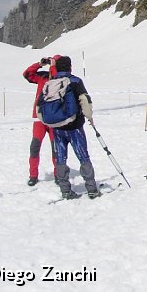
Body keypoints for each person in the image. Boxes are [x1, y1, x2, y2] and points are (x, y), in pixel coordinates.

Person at [47, 56, 100, 199]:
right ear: (70, 67)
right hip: (74, 126)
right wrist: (89, 117)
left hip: (57, 127)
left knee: (60, 158)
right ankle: (91, 188)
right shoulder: (75, 81)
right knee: (83, 156)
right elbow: (84, 100)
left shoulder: (51, 82)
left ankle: (65, 189)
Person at [23, 56, 59, 186]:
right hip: (39, 118)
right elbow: (27, 74)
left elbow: (55, 79)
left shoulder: (60, 77)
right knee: (35, 147)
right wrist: (39, 64)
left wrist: (54, 66)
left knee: (56, 148)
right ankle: (33, 175)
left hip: (54, 119)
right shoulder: (42, 77)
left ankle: (58, 174)